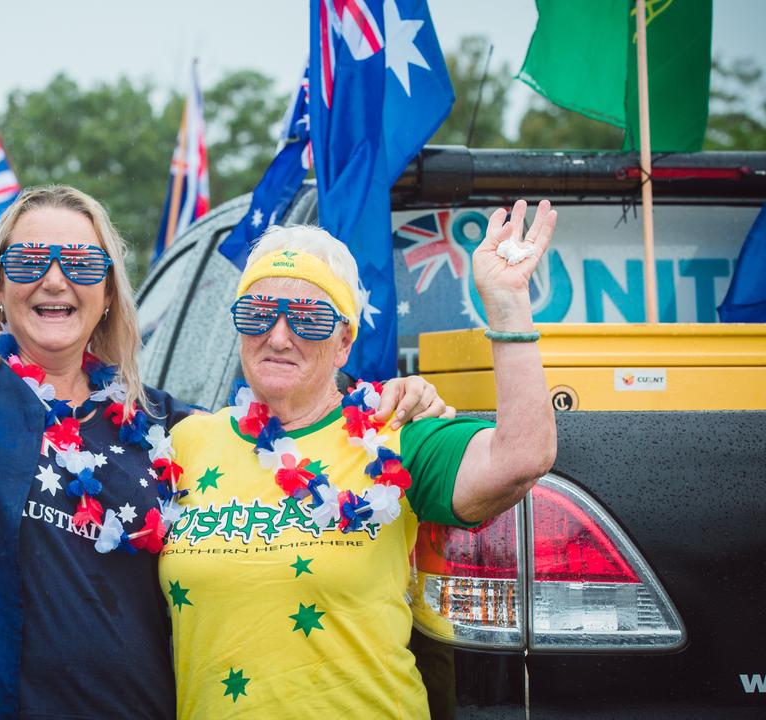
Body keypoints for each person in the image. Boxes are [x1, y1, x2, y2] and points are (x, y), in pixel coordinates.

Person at [0, 53, 453, 719]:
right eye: (30, 258)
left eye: (83, 261)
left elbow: (303, 438)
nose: (56, 278)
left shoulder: (172, 432)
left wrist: (397, 405)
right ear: (0, 289)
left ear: (110, 297)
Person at [159, 207, 560, 718]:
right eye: (258, 312)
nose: (279, 336)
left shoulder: (395, 433)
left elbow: (524, 456)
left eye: (308, 318)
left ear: (344, 341)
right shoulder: (187, 443)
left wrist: (507, 308)